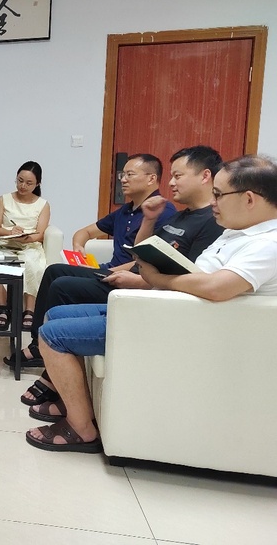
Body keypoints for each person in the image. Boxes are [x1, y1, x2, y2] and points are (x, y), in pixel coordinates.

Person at [25, 155, 277, 453]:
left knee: (53, 335)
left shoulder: (267, 244)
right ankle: (74, 402)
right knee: (56, 314)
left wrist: (158, 279)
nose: (214, 202)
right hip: (160, 308)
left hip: (174, 323)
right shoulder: (236, 233)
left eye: (219, 195)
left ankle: (81, 429)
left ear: (249, 199)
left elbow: (217, 287)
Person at [21, 145, 225, 408]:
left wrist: (139, 280)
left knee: (61, 285)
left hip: (143, 292)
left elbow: (191, 278)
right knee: (56, 275)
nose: (171, 183)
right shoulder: (180, 216)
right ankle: (44, 352)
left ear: (205, 176)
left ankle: (52, 373)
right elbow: (144, 253)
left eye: (178, 176)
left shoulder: (209, 222)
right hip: (135, 280)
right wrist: (148, 222)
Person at [7, 153, 176, 373]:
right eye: (122, 174)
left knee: (61, 285)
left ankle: (49, 344)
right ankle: (37, 343)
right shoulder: (126, 210)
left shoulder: (162, 212)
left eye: (130, 174)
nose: (123, 179)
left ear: (151, 178)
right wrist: (80, 248)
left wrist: (104, 270)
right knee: (53, 271)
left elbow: (144, 261)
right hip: (107, 272)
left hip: (127, 279)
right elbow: (84, 232)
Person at [0, 161, 50, 331]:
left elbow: (41, 233)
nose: (23, 186)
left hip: (29, 245)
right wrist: (10, 232)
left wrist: (27, 238)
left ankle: (29, 311)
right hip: (5, 243)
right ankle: (3, 309)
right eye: (20, 180)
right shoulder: (3, 199)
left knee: (34, 264)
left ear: (37, 184)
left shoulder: (43, 204)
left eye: (29, 183)